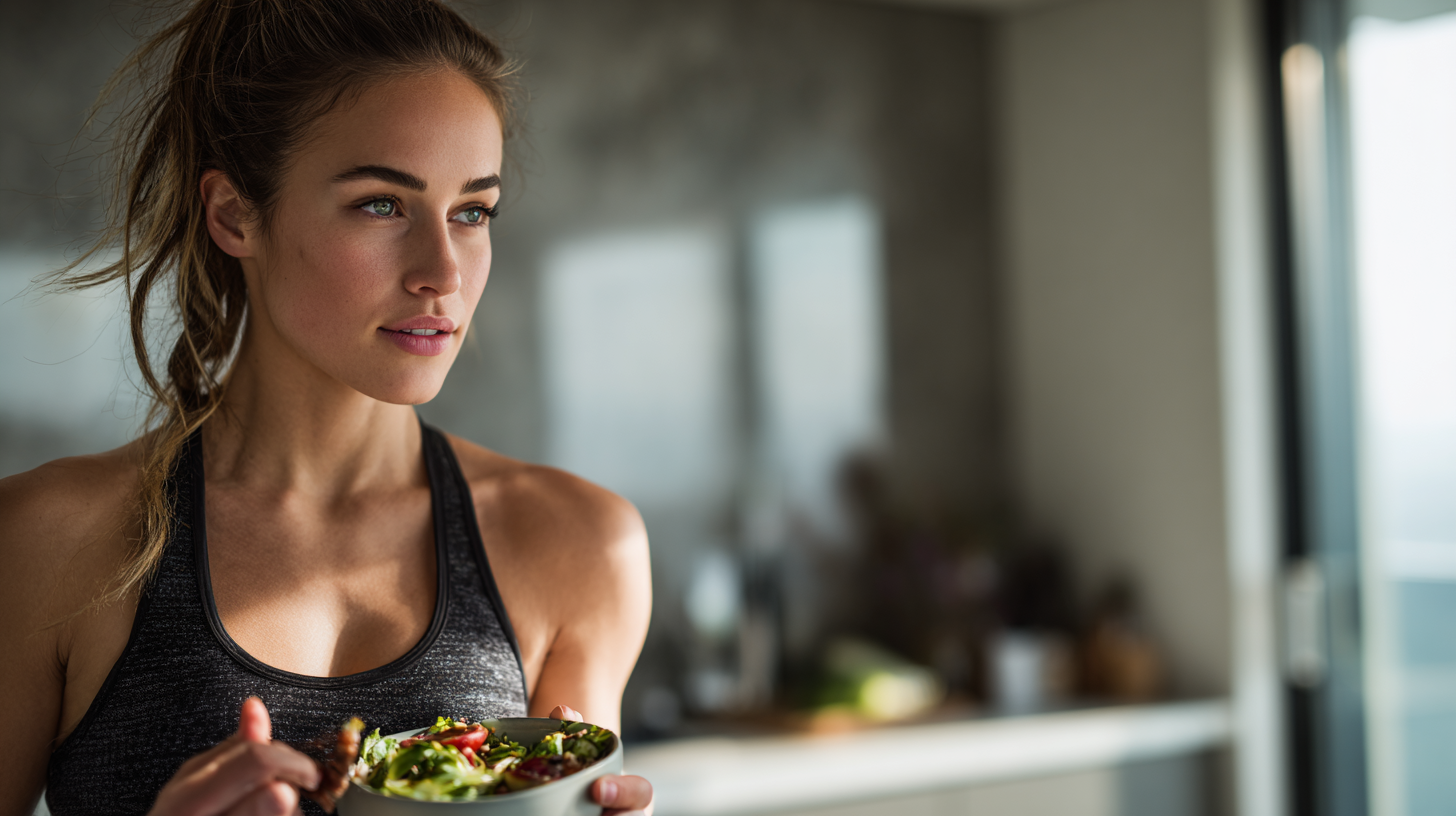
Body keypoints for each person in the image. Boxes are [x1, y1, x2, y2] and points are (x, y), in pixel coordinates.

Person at [0, 1, 654, 814]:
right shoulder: (44, 544)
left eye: (472, 211)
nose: (443, 273)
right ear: (235, 214)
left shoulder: (581, 546)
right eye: (382, 203)